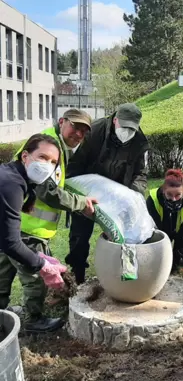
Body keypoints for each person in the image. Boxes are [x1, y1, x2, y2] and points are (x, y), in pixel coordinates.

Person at [5, 109, 97, 331]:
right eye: (75, 127)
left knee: (3, 272)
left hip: (12, 224)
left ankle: (1, 314)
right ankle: (33, 320)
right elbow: (49, 192)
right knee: (35, 278)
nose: (78, 134)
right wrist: (81, 203)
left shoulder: (53, 145)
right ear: (62, 121)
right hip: (29, 230)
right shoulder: (50, 147)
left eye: (84, 132)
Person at [65, 103, 150, 284]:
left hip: (117, 197)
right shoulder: (95, 132)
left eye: (131, 128)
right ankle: (78, 274)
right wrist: (78, 197)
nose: (127, 131)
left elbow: (140, 173)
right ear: (115, 119)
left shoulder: (139, 142)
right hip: (88, 191)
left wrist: (134, 195)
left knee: (129, 234)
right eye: (124, 126)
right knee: (79, 235)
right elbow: (76, 163)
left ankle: (126, 276)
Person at [0, 134, 69, 333]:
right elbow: (11, 243)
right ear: (25, 156)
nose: (47, 165)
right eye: (42, 157)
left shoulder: (17, 176)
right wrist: (42, 264)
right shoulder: (11, 184)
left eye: (53, 162)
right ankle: (33, 320)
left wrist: (38, 257)